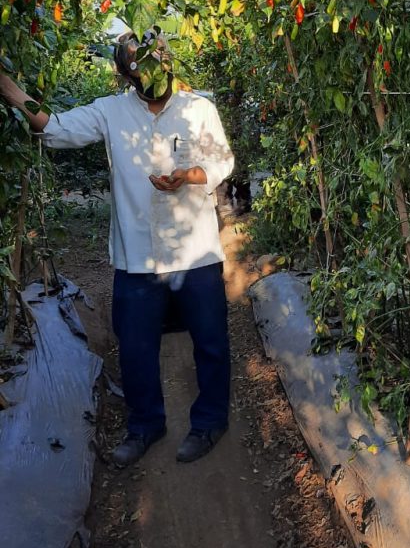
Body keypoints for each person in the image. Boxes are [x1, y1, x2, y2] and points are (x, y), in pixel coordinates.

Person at [0, 29, 235, 467]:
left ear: (167, 60)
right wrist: (10, 90)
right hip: (137, 254)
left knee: (211, 342)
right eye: (139, 64)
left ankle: (209, 421)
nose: (152, 69)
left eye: (157, 58)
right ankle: (145, 424)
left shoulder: (198, 108)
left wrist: (189, 176)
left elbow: (223, 160)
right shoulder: (111, 113)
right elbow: (55, 127)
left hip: (196, 251)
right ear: (125, 74)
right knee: (135, 347)